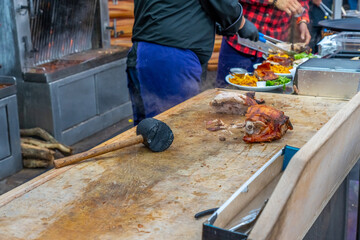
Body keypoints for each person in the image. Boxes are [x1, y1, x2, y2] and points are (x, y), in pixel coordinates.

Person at [126, 0, 259, 125]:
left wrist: (209, 22)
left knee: (146, 134)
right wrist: (240, 23)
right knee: (176, 128)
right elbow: (224, 3)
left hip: (142, 53)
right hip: (172, 58)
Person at [215, 0, 311, 88]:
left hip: (273, 53)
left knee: (270, 100)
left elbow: (302, 1)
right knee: (226, 93)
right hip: (238, 43)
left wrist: (302, 20)